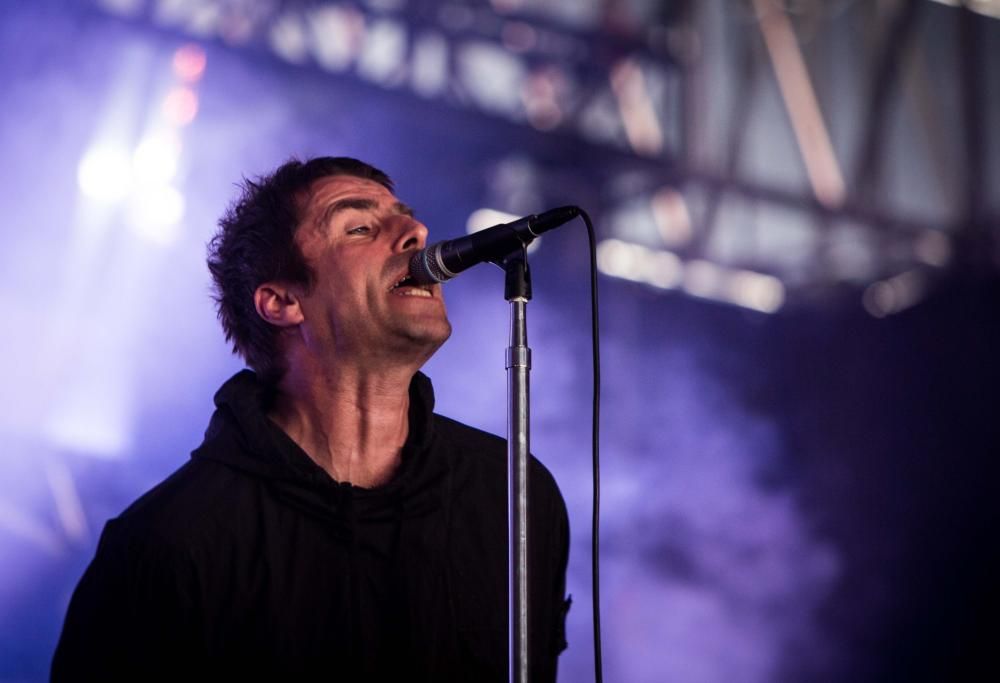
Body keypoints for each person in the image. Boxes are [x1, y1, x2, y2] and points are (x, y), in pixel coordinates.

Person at [51, 157, 571, 681]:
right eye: (360, 228)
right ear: (282, 301)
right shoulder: (168, 544)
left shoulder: (515, 496)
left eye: (406, 217)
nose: (416, 232)